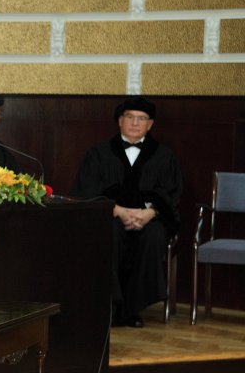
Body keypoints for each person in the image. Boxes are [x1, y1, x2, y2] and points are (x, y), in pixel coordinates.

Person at [70, 96, 182, 328]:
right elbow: (87, 190)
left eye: (141, 119)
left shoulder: (164, 155)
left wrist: (149, 213)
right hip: (109, 215)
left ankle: (133, 308)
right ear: (120, 121)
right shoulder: (98, 154)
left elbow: (171, 192)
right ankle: (111, 305)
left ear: (150, 124)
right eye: (130, 117)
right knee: (107, 233)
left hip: (149, 218)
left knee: (153, 236)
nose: (135, 123)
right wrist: (118, 211)